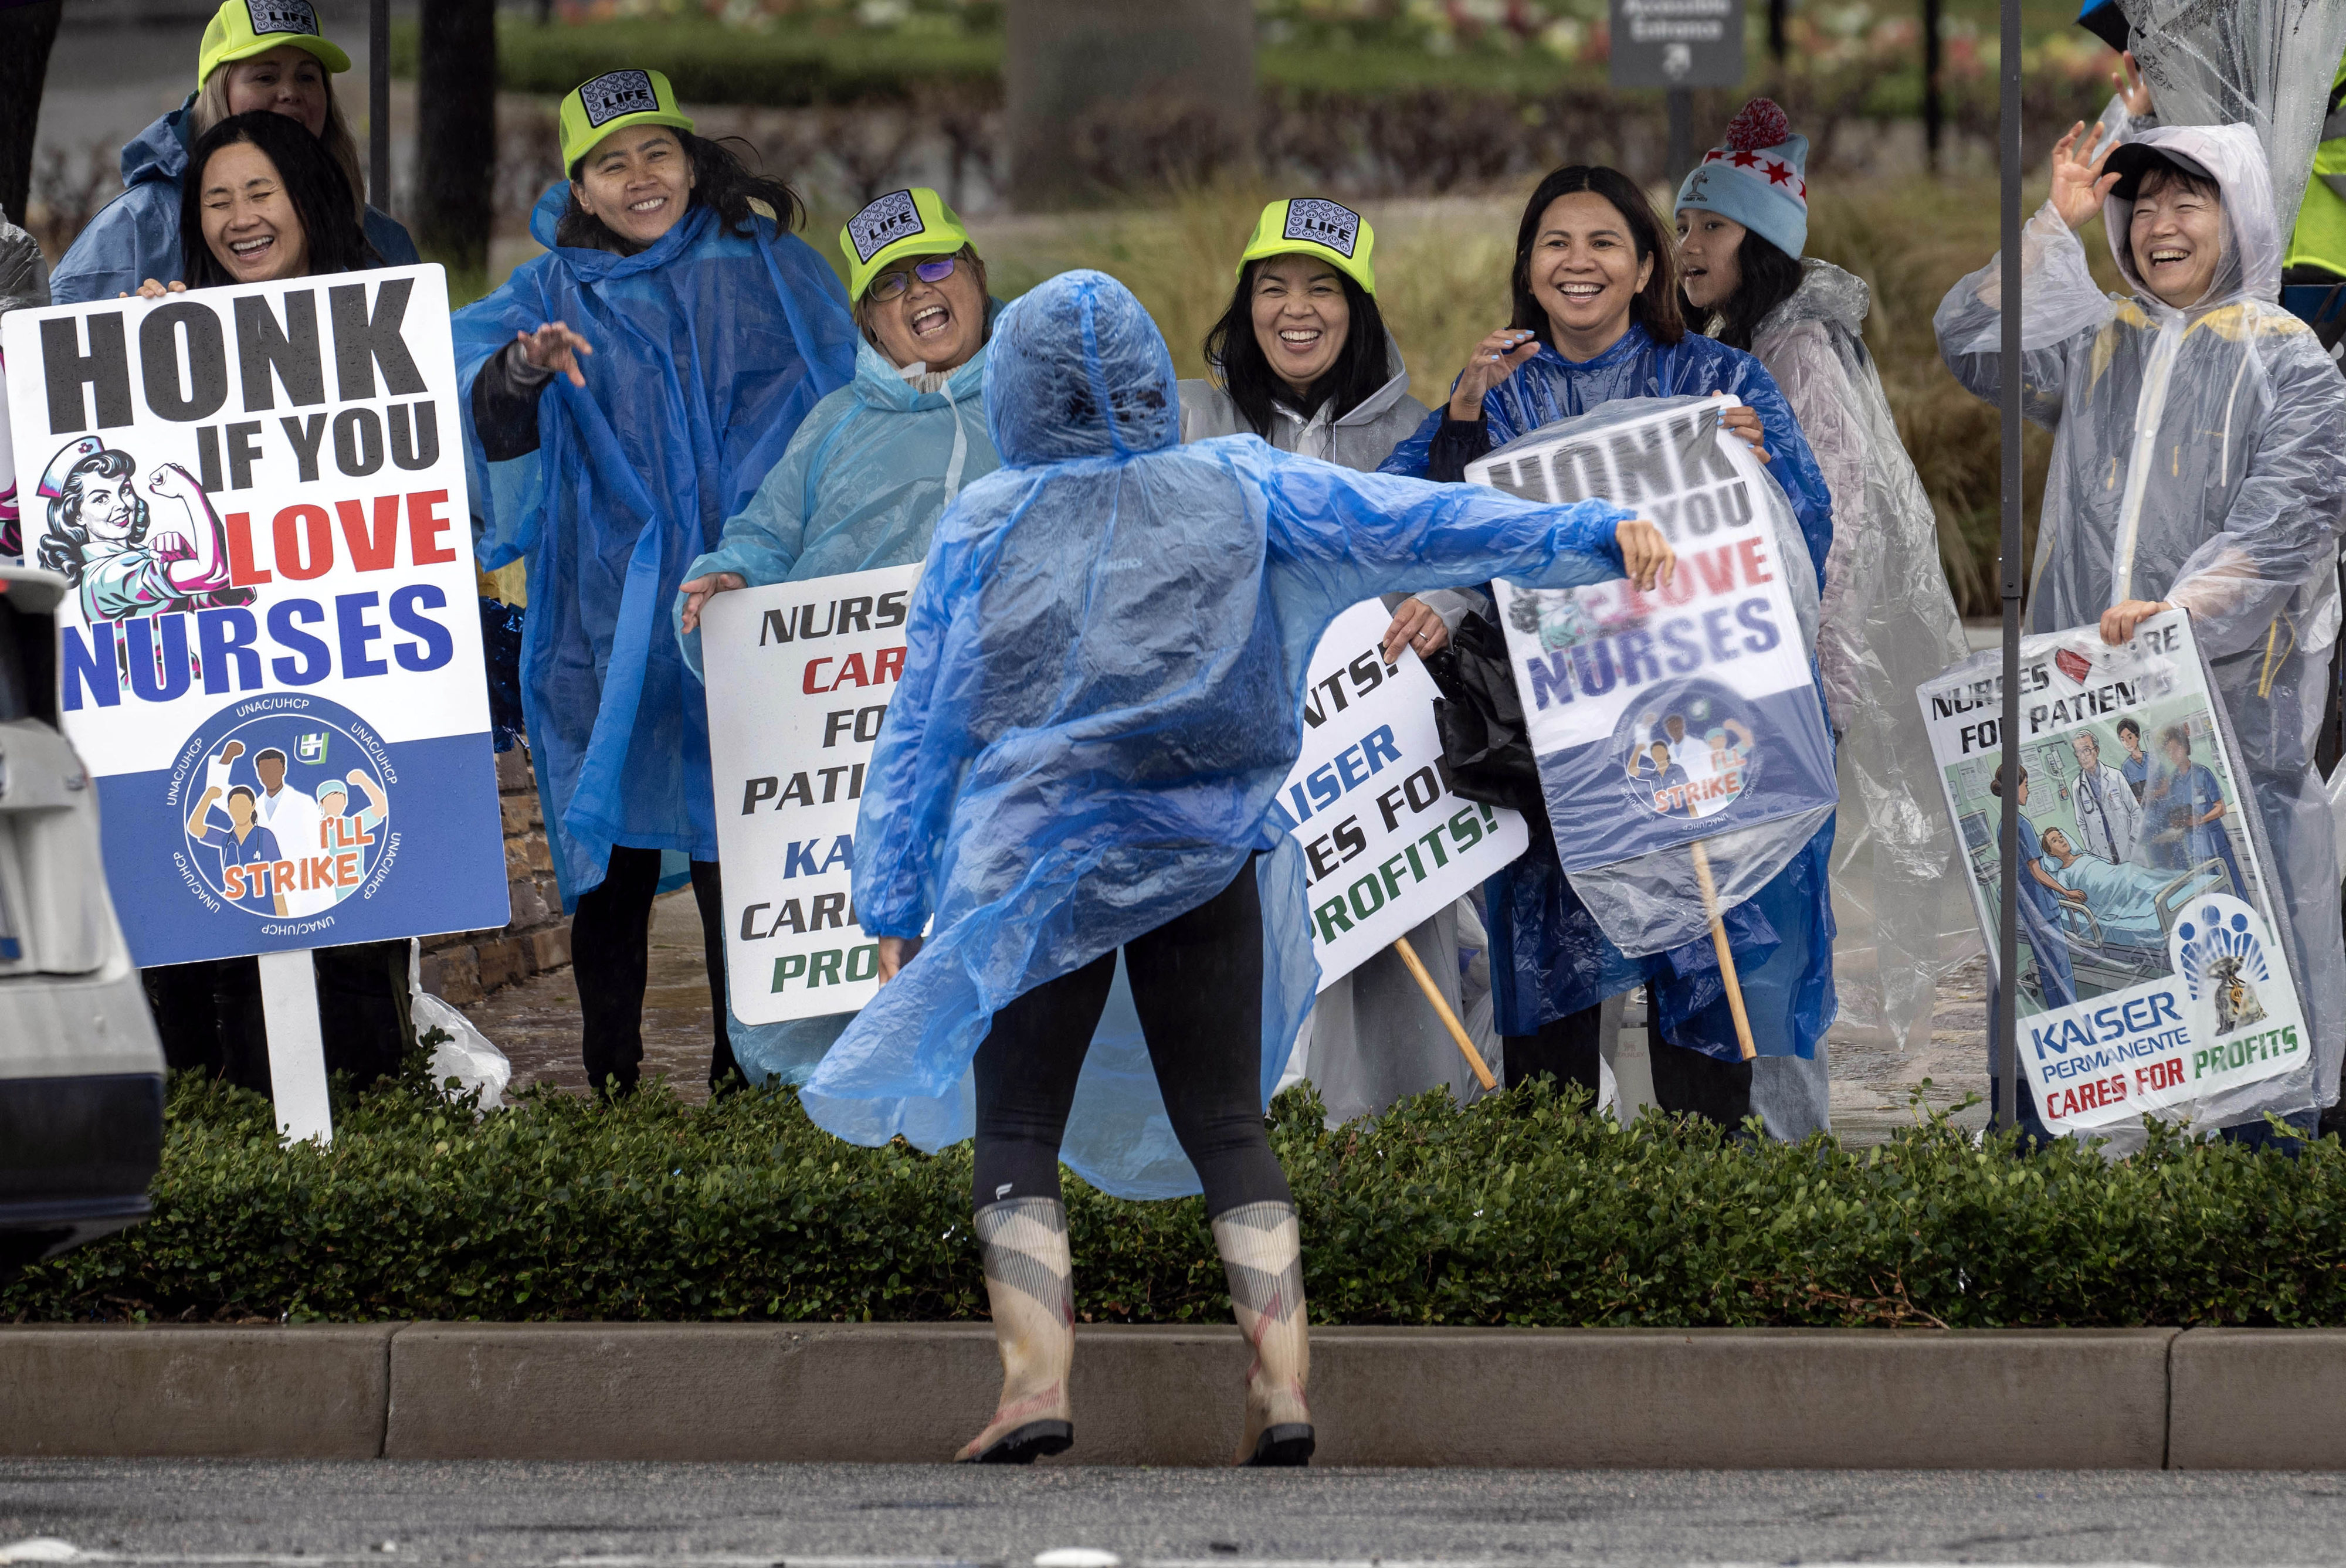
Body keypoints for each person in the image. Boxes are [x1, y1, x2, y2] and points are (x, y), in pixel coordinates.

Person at [795, 270, 1673, 1466]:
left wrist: (890, 894)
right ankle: (1281, 1385)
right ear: (1155, 380)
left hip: (1027, 869)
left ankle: (1031, 1385)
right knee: (1224, 1119)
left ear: (1013, 387)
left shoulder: (984, 520)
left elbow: (921, 726)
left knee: (1014, 1122)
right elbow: (1416, 521)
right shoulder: (1239, 485)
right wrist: (1584, 534)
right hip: (1199, 856)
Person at [1381, 163, 1837, 1138]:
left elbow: (1807, 537)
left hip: (1700, 744)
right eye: (1555, 243)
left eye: (1603, 243)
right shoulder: (1492, 391)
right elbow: (1408, 518)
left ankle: (1702, 1216)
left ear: (1644, 269)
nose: (1577, 261)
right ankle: (1570, 1240)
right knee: (1551, 1016)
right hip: (1556, 758)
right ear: (1528, 267)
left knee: (1706, 998)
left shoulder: (1717, 380)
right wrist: (1461, 417)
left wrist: (1758, 475)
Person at [1936, 121, 2346, 1135]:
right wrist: (2049, 225)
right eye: (2144, 203)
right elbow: (1976, 342)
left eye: (2188, 201)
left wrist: (2180, 615)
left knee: (2239, 947)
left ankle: (2254, 1171)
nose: (2162, 225)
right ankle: (2078, 1178)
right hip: (2087, 696)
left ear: (2239, 213)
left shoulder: (2289, 362)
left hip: (2229, 714)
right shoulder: (2101, 338)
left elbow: (2286, 519)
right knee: (2091, 971)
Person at [455, 70, 857, 1098]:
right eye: (609, 163)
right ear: (579, 189)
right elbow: (463, 392)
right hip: (606, 624)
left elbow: (851, 403)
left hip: (747, 609)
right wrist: (521, 375)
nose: (639, 177)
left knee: (748, 838)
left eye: (656, 152)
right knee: (612, 851)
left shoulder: (769, 270)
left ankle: (749, 1067)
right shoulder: (546, 295)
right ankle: (613, 1078)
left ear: (690, 160)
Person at [1676, 98, 1976, 1120]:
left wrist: (1797, 669)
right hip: (1768, 675)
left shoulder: (1797, 357)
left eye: (1709, 225)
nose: (1687, 245)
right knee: (1758, 918)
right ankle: (1765, 1116)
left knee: (1775, 923)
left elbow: (1837, 526)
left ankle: (1781, 1128)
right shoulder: (1767, 342)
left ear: (1758, 239)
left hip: (1786, 682)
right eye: (1683, 226)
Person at [671, 186, 999, 1086]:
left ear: (976, 275)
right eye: (889, 286)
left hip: (1007, 751)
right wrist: (728, 586)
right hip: (856, 758)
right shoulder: (833, 429)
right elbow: (762, 538)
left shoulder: (1039, 402)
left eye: (935, 266)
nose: (917, 294)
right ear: (867, 323)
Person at [1177, 197, 1485, 1126]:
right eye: (1273, 287)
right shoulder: (1191, 424)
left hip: (1373, 781)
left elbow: (1469, 549)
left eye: (1322, 288)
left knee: (1398, 1005)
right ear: (1245, 304)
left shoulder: (1413, 438)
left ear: (1359, 309)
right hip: (1233, 781)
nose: (1295, 309)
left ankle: (1406, 1165)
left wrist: (1446, 601)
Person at [49, 0, 415, 306]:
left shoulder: (381, 237)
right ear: (218, 94)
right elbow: (49, 363)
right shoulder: (133, 230)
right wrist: (126, 336)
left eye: (307, 77)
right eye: (265, 77)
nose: (290, 93)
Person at [2144, 725, 2250, 898]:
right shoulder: (2173, 782)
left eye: (2176, 749)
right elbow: (2175, 813)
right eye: (2169, 752)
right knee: (2212, 894)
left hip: (2216, 845)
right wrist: (2176, 822)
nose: (2173, 755)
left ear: (2185, 747)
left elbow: (2221, 808)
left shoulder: (2202, 774)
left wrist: (2200, 820)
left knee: (2234, 887)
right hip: (2196, 850)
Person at [2068, 731, 2141, 865]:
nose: (2083, 757)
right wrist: (2091, 849)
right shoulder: (2077, 786)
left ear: (2096, 750)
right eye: (2079, 752)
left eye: (2086, 750)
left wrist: (2134, 841)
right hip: (2102, 853)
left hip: (2128, 847)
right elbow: (2082, 823)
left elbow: (2136, 811)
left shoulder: (2116, 776)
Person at [2117, 715, 2153, 803]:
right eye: (2123, 740)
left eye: (2130, 738)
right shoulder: (2126, 767)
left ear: (2138, 736)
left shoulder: (2151, 759)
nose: (2127, 743)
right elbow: (2128, 794)